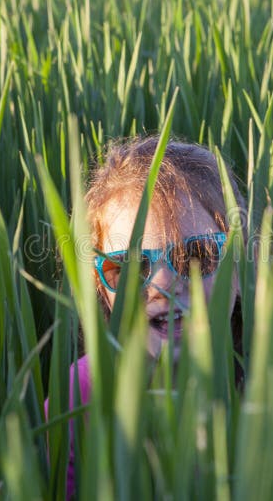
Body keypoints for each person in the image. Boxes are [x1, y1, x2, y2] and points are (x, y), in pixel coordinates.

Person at [46, 135, 248, 497]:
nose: (165, 285)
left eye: (198, 256)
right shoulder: (80, 400)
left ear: (240, 264)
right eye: (129, 267)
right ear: (100, 286)